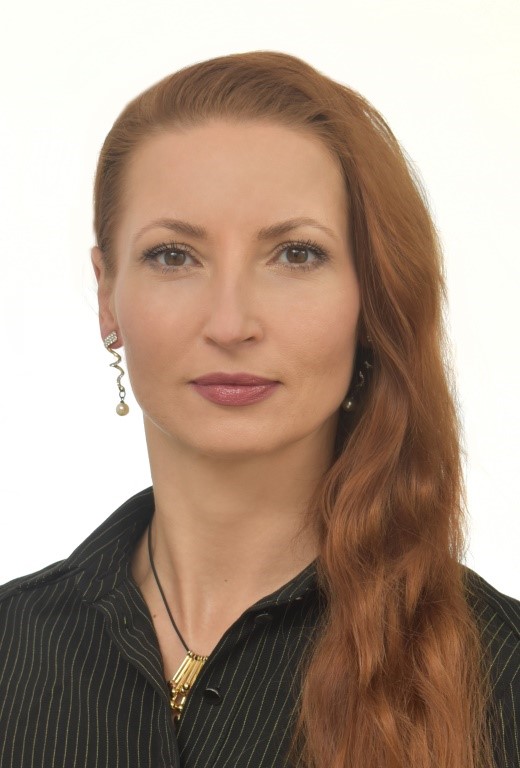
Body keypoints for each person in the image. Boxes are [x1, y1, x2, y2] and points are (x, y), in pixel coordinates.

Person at [0, 51, 518, 768]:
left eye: (296, 255)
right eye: (174, 256)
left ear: (373, 297)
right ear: (106, 296)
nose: (231, 323)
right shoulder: (12, 647)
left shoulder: (502, 679)